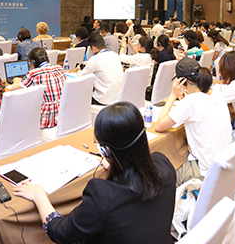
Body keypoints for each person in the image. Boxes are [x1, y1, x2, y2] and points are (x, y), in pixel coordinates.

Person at [12, 102, 176, 244]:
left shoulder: (103, 195)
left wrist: (39, 196)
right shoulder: (164, 164)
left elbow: (60, 233)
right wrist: (116, 165)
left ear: (105, 150)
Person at [154, 58, 232, 183]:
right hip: (224, 165)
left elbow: (159, 126)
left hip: (204, 170)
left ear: (182, 81)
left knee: (162, 175)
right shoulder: (217, 94)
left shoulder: (190, 102)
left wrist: (172, 96)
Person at [8, 47, 67, 129]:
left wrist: (16, 81)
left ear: (32, 62)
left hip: (46, 118)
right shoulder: (59, 68)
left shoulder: (33, 73)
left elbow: (14, 89)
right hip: (63, 115)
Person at [78, 32, 123, 105]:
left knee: (80, 96)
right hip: (118, 98)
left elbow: (80, 76)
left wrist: (78, 69)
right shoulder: (115, 55)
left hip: (103, 100)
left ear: (93, 48)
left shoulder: (95, 59)